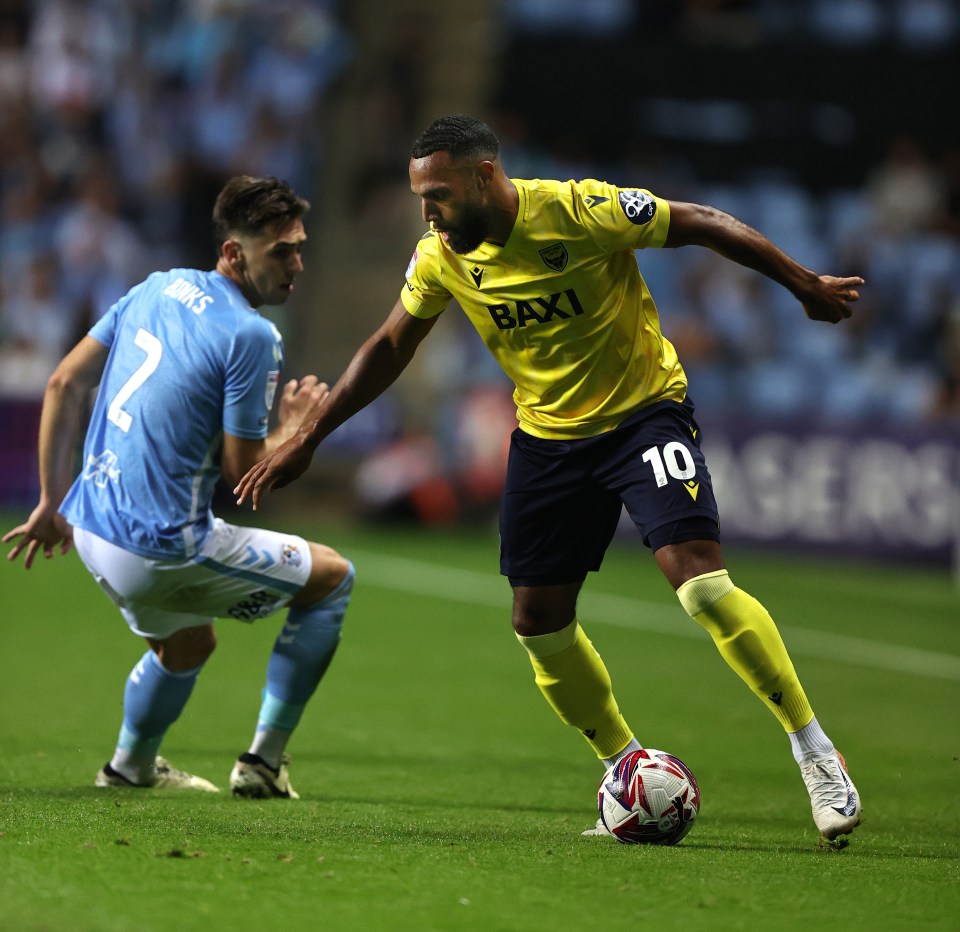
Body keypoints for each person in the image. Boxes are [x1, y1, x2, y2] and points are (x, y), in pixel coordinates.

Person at [235, 116, 864, 843]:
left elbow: (702, 221)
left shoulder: (577, 210)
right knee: (537, 622)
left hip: (642, 417)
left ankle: (815, 750)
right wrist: (311, 435)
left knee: (701, 584)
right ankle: (624, 767)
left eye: (437, 195)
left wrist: (803, 284)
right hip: (548, 441)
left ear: (484, 177)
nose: (427, 213)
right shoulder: (440, 256)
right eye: (420, 198)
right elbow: (388, 346)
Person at [4, 175, 354, 800]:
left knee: (190, 641)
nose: (295, 265)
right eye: (280, 252)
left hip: (89, 527)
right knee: (332, 578)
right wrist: (296, 430)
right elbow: (244, 475)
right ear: (232, 253)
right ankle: (264, 765)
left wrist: (50, 503)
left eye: (299, 247)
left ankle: (129, 768)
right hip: (160, 546)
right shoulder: (252, 336)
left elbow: (61, 384)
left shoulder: (154, 286)